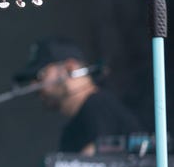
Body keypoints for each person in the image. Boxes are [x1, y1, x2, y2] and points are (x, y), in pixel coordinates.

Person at [14, 36, 143, 155]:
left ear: (70, 68)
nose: (34, 86)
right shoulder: (71, 130)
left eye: (40, 75)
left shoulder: (97, 105)